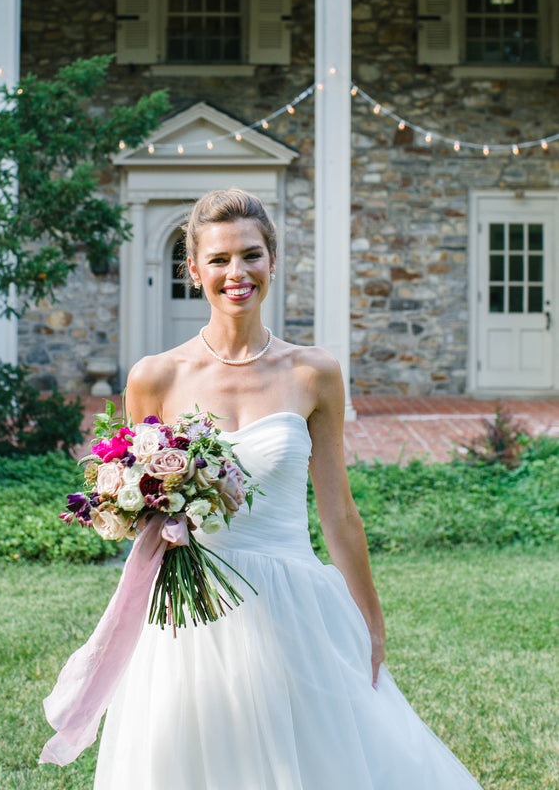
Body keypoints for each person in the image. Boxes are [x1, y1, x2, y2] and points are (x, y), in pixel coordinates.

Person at [89, 188, 484, 789]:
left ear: (273, 260)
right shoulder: (155, 377)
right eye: (218, 259)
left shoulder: (313, 372)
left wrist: (371, 621)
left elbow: (339, 513)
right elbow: (145, 514)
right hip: (192, 616)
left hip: (294, 602)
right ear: (193, 270)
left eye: (251, 255)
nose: (236, 273)